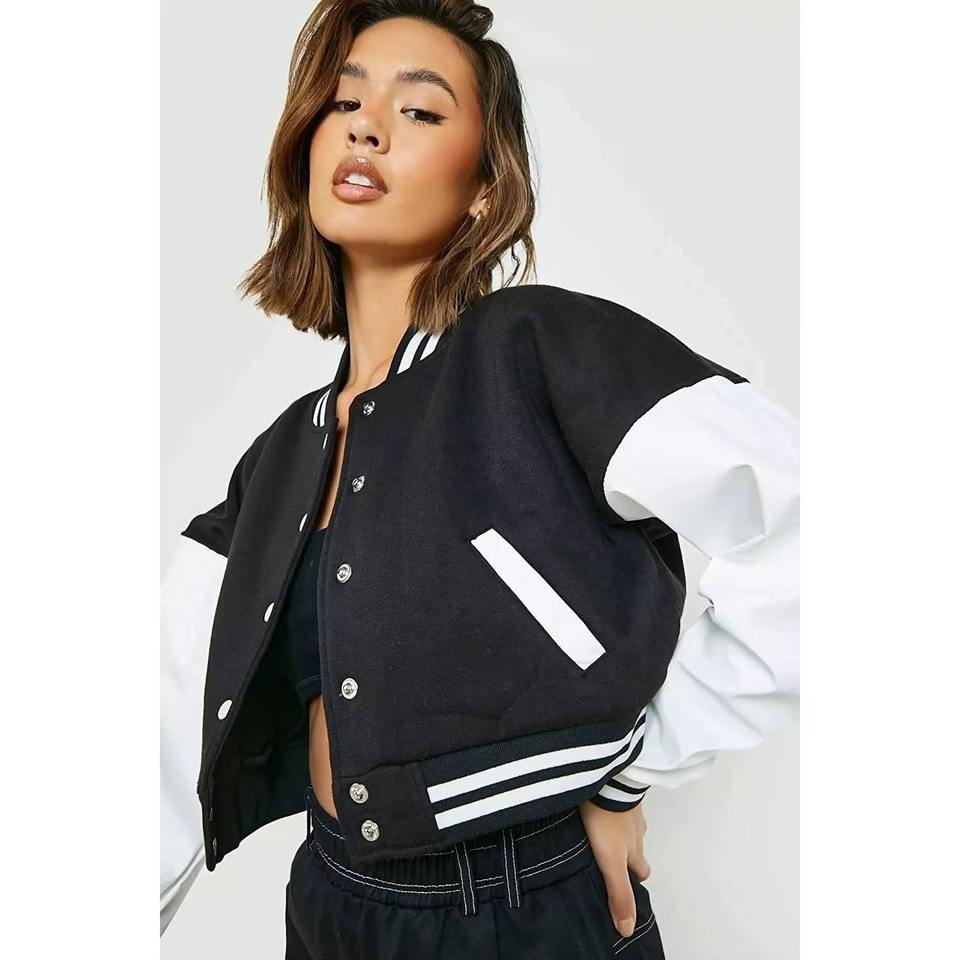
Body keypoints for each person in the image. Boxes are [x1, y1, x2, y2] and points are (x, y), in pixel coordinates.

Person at [159, 2, 800, 957]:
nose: (367, 129)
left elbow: (808, 525)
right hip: (329, 903)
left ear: (484, 190)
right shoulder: (281, 458)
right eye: (344, 103)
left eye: (419, 111)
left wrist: (635, 769)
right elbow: (167, 718)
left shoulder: (542, 349)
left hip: (518, 901)